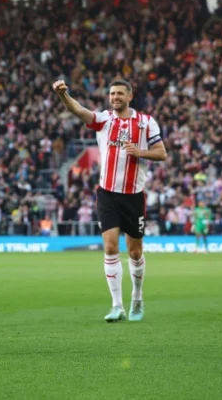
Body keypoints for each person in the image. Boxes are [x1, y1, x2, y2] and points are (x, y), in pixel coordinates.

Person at [54, 78, 167, 322]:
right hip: (107, 194)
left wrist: (139, 152)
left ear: (129, 96)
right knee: (110, 247)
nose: (115, 97)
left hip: (133, 196)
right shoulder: (104, 120)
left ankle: (137, 297)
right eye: (112, 93)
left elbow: (162, 153)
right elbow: (79, 110)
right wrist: (63, 94)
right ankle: (117, 306)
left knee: (135, 252)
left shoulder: (146, 122)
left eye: (119, 94)